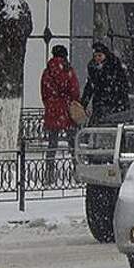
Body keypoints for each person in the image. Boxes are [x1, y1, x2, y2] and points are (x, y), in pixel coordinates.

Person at [40, 45, 80, 184]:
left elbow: (44, 92)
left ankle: (49, 175)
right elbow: (74, 91)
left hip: (52, 110)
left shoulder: (47, 71)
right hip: (66, 110)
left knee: (52, 145)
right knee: (73, 144)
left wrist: (50, 104)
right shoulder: (68, 70)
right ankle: (77, 172)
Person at [81, 42, 130, 125]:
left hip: (113, 105)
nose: (97, 58)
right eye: (95, 56)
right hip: (102, 105)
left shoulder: (114, 69)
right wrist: (83, 104)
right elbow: (89, 88)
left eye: (99, 55)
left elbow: (122, 87)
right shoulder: (94, 70)